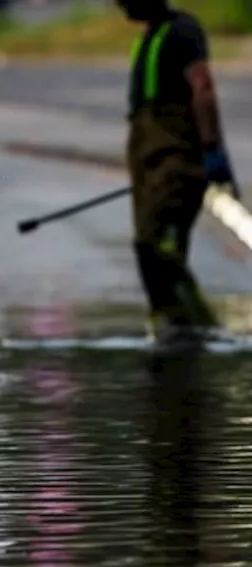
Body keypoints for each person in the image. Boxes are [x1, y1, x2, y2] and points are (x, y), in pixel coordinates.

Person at [116, 0, 238, 342]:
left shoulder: (183, 30)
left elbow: (203, 89)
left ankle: (198, 329)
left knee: (159, 248)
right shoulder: (149, 36)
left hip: (177, 163)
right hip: (149, 163)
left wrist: (213, 149)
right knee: (149, 247)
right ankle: (171, 326)